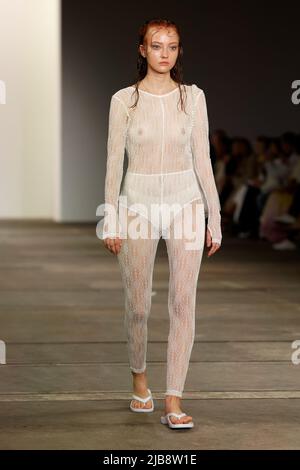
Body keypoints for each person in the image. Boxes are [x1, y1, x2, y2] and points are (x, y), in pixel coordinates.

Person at [101, 18, 222, 429]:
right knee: (139, 304)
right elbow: (114, 161)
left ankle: (173, 399)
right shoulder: (123, 101)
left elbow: (203, 158)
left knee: (183, 302)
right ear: (142, 50)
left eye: (172, 46)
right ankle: (140, 379)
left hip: (186, 202)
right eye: (156, 45)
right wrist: (111, 218)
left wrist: (215, 216)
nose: (165, 53)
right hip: (137, 205)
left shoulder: (193, 98)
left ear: (178, 51)